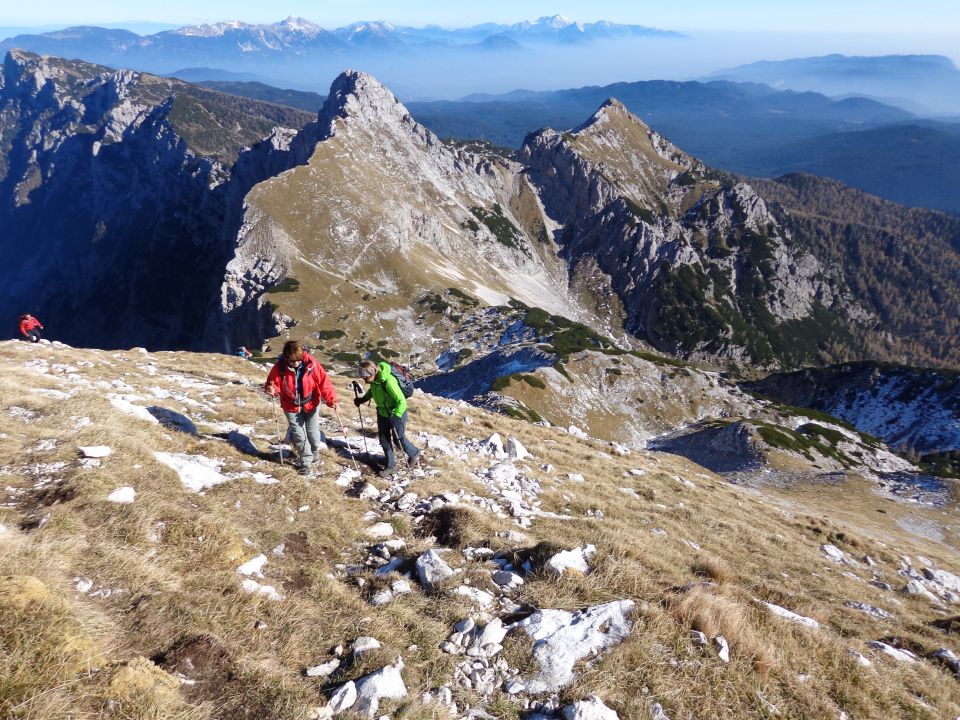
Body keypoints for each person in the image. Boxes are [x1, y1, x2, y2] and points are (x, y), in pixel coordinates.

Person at [264, 340, 339, 476]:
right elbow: (272, 383)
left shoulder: (312, 364)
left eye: (298, 360)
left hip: (311, 402)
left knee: (313, 432)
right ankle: (306, 462)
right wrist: (271, 389)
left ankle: (315, 452)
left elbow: (324, 383)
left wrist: (332, 401)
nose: (296, 364)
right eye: (292, 361)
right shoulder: (279, 367)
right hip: (290, 405)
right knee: (299, 435)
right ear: (286, 357)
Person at [355, 359, 420, 477]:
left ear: (373, 373)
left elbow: (401, 402)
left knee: (398, 439)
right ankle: (391, 465)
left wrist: (396, 415)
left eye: (365, 377)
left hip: (396, 413)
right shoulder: (375, 380)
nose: (364, 380)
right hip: (382, 412)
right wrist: (362, 399)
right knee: (384, 439)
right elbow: (372, 391)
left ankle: (414, 453)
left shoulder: (388, 381)